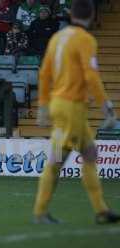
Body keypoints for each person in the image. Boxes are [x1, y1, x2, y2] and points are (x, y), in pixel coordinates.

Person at [33, 0, 119, 224]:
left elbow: (44, 73)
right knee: (57, 161)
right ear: (91, 16)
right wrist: (106, 106)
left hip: (64, 106)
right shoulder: (85, 39)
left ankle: (101, 210)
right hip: (71, 109)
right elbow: (91, 75)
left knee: (89, 153)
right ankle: (40, 212)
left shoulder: (57, 37)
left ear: (71, 14)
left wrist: (43, 105)